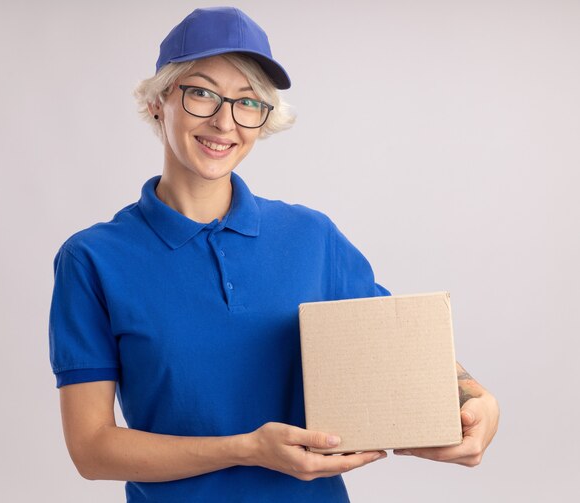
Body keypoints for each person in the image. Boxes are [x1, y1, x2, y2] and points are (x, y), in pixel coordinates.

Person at [48, 6, 499, 503]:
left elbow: (405, 357)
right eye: (201, 93)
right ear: (159, 100)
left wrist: (480, 401)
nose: (225, 122)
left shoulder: (311, 236)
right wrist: (246, 449)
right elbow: (91, 450)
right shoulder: (92, 259)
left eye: (249, 102)